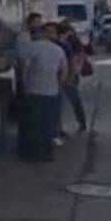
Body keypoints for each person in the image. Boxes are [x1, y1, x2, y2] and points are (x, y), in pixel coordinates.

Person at [18, 22, 68, 161]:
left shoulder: (32, 48)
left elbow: (25, 67)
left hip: (33, 91)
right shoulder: (58, 50)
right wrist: (58, 85)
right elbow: (63, 71)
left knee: (32, 124)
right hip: (51, 92)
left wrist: (25, 84)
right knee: (48, 124)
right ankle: (46, 153)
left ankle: (30, 153)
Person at [56, 21, 89, 133]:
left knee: (70, 99)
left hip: (68, 73)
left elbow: (78, 56)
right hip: (69, 73)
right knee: (74, 100)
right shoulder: (69, 41)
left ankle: (81, 123)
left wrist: (74, 71)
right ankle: (81, 123)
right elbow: (81, 54)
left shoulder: (70, 41)